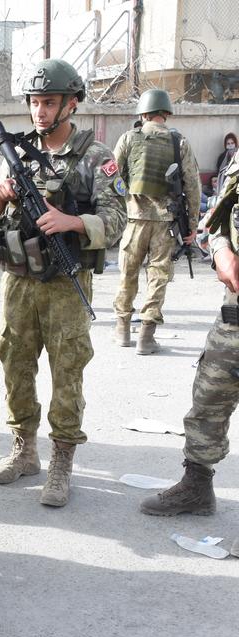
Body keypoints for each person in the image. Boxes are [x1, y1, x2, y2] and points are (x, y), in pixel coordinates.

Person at [0, 58, 127, 507]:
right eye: (34, 103)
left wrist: (72, 221)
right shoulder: (17, 153)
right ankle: (24, 449)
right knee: (15, 361)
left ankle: (61, 459)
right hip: (20, 279)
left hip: (66, 279)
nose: (40, 112)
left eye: (49, 103)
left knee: (67, 367)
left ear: (71, 104)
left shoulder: (95, 157)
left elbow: (118, 219)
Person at [140, 150, 239, 519]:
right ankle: (197, 488)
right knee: (209, 396)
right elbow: (219, 223)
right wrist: (221, 252)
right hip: (236, 312)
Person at [111, 89, 200, 354]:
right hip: (166, 223)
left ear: (144, 113)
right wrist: (192, 226)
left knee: (127, 275)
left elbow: (111, 178)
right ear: (166, 113)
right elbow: (192, 185)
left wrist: (122, 205)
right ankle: (146, 337)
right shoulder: (179, 142)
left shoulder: (128, 138)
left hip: (133, 219)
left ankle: (122, 330)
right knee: (158, 276)